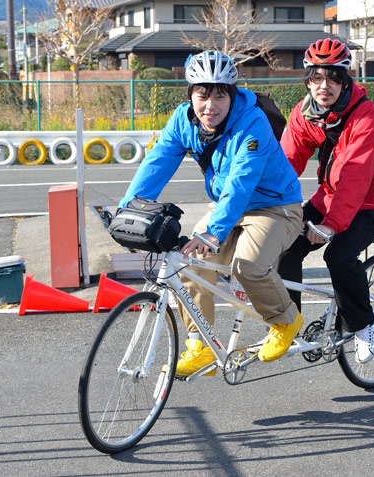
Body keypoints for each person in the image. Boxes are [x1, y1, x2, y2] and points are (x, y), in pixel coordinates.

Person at [119, 50, 304, 376]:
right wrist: (128, 211)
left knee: (247, 265)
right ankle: (201, 348)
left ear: (232, 94)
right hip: (225, 208)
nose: (210, 104)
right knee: (188, 264)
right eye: (202, 94)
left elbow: (241, 183)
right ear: (190, 94)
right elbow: (157, 164)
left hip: (276, 208)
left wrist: (212, 232)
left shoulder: (253, 123)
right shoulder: (182, 120)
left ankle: (286, 320)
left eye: (220, 95)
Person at [277, 38, 374, 364]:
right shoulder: (305, 114)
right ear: (307, 80)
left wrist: (330, 225)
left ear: (346, 78)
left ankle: (364, 324)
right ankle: (290, 325)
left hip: (372, 202)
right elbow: (285, 165)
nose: (324, 86)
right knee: (285, 245)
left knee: (339, 255)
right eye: (316, 77)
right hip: (330, 196)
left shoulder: (366, 117)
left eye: (333, 77)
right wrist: (267, 206)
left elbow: (356, 179)